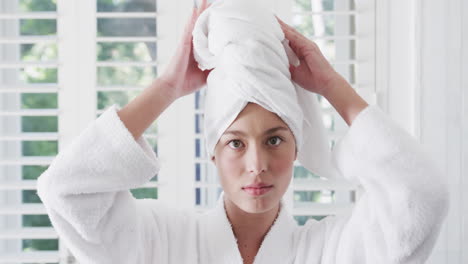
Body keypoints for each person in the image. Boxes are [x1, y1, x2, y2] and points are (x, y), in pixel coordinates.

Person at [37, 1, 449, 263]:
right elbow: (67, 190)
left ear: (296, 145)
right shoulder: (161, 243)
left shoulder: (332, 250)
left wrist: (332, 85)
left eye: (274, 139)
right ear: (212, 152)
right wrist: (166, 88)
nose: (257, 166)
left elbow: (420, 195)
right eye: (236, 142)